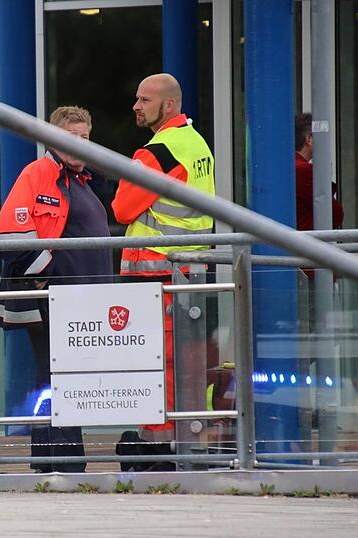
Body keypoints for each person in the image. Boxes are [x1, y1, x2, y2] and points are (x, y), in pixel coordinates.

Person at [0, 106, 112, 473]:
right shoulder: (39, 173)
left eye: (85, 137)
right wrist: (44, 276)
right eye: (70, 137)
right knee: (56, 375)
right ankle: (59, 460)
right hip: (54, 299)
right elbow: (10, 234)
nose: (80, 144)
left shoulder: (84, 180)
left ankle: (58, 458)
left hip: (80, 299)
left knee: (65, 376)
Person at [111, 73, 215, 471]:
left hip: (155, 277)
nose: (136, 106)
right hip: (190, 273)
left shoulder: (156, 152)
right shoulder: (196, 143)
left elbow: (121, 209)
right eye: (137, 98)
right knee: (186, 364)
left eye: (144, 100)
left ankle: (159, 450)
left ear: (168, 105)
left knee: (156, 366)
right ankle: (188, 444)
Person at [295, 112, 343, 232]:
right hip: (306, 245)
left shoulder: (287, 167)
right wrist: (325, 177)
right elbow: (335, 214)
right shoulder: (305, 171)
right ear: (309, 139)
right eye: (322, 138)